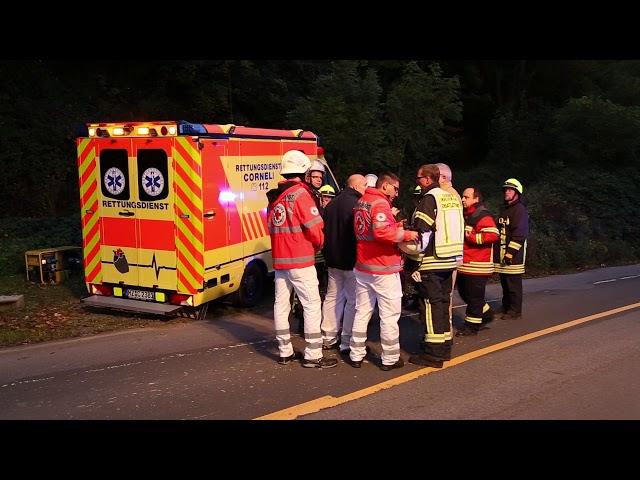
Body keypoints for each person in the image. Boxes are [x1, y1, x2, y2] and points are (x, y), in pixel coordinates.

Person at [266, 150, 337, 368]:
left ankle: (284, 351)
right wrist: (320, 244)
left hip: (280, 260)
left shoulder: (275, 197)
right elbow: (315, 228)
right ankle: (313, 354)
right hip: (301, 260)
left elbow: (270, 227)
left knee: (280, 305)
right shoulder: (301, 195)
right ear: (305, 172)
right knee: (312, 304)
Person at [349, 173, 419, 371]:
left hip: (363, 265)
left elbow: (371, 230)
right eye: (395, 189)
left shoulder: (362, 201)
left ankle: (356, 353)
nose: (396, 193)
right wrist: (406, 234)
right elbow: (381, 232)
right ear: (385, 185)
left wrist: (394, 225)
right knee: (390, 315)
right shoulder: (380, 204)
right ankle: (390, 358)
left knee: (362, 311)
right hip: (383, 267)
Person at [406, 164, 464, 368]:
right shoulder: (451, 198)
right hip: (450, 259)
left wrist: (413, 260)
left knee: (430, 305)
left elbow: (423, 231)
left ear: (428, 179)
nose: (417, 182)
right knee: (442, 304)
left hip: (433, 260)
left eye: (419, 178)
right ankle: (445, 347)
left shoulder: (430, 198)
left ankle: (433, 353)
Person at [320, 174, 368, 356]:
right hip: (351, 260)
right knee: (353, 301)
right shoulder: (357, 205)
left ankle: (328, 337)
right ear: (356, 186)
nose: (366, 188)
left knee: (333, 298)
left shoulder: (332, 204)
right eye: (364, 185)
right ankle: (346, 341)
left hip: (332, 260)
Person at [455, 187, 500, 336]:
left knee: (474, 297)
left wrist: (472, 237)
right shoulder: (469, 215)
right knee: (464, 293)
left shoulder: (482, 215)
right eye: (463, 197)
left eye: (466, 197)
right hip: (467, 263)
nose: (462, 199)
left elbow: (493, 234)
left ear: (476, 199)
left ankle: (471, 327)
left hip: (478, 265)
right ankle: (486, 314)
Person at [493, 178, 529, 320]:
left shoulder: (519, 210)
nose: (506, 192)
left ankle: (515, 310)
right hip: (502, 253)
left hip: (513, 255)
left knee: (513, 284)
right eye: (505, 190)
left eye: (510, 190)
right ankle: (506, 306)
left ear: (517, 193)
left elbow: (519, 234)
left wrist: (510, 253)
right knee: (505, 283)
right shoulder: (505, 209)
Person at [435, 163, 462, 330]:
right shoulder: (452, 195)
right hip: (449, 255)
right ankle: (444, 330)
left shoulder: (446, 195)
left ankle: (444, 331)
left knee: (444, 297)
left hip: (445, 255)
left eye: (434, 176)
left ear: (443, 178)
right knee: (444, 297)